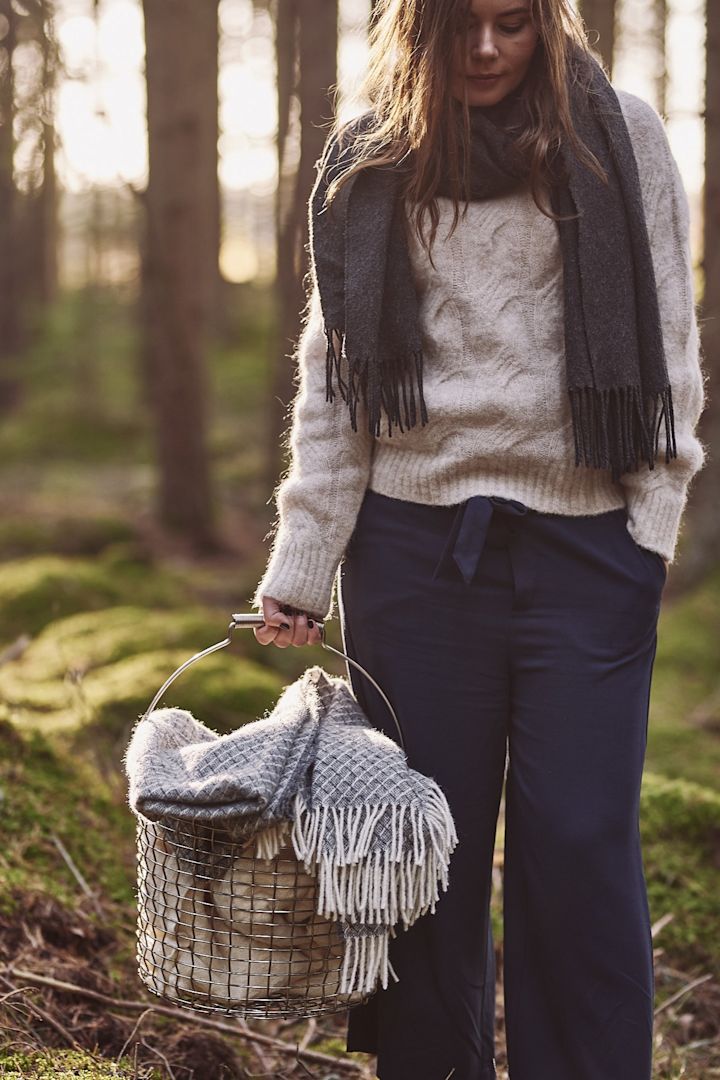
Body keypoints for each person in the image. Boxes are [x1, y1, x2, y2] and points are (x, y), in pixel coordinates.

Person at [251, 0, 707, 1076]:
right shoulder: (370, 156)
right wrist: (305, 559)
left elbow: (672, 334)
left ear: (547, 22)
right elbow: (336, 375)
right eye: (464, 26)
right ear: (420, 29)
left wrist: (651, 527)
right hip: (413, 554)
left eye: (512, 22)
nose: (489, 48)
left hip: (589, 552)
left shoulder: (622, 135)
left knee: (582, 848)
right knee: (422, 858)